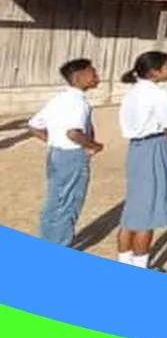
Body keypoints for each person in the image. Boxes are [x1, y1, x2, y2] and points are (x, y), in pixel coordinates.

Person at [28, 59, 104, 246]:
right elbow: (73, 133)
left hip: (56, 154)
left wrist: (54, 140)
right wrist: (93, 145)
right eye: (92, 72)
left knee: (54, 202)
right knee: (69, 204)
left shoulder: (58, 99)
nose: (97, 76)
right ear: (78, 77)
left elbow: (34, 126)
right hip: (72, 157)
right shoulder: (78, 103)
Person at [117, 51, 167, 270]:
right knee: (147, 213)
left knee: (133, 209)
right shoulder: (158, 95)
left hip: (136, 149)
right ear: (155, 72)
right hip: (154, 146)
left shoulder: (132, 93)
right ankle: (140, 266)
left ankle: (124, 262)